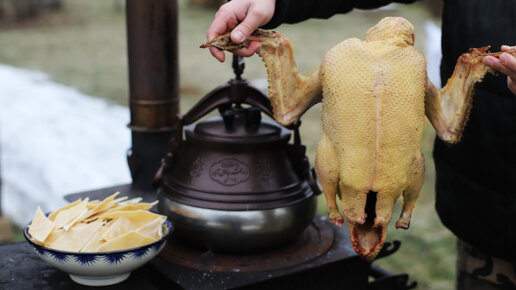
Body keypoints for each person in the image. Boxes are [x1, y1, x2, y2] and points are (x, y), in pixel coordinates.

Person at [206, 1, 516, 289]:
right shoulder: (403, 63)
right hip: (490, 218)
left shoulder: (349, 55)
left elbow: (289, 108)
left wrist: (275, 46)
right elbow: (448, 127)